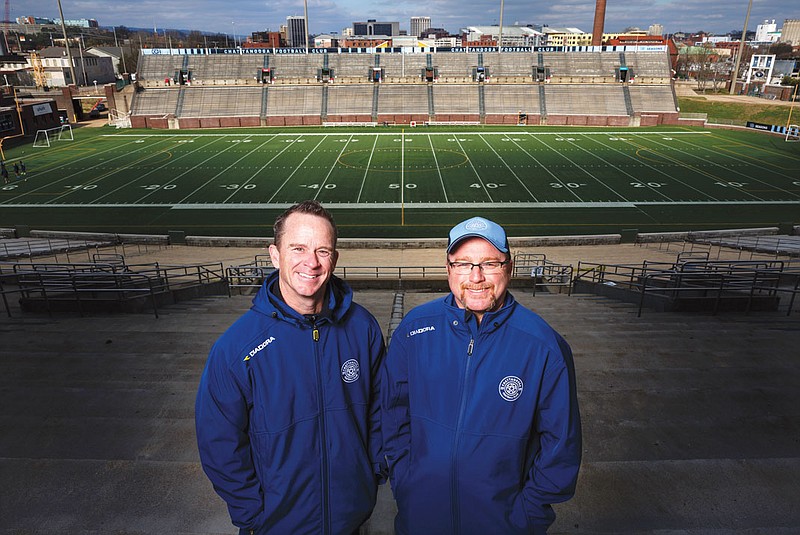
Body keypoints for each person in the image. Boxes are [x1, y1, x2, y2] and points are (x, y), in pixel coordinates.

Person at [381, 216, 582, 535]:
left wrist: (526, 515)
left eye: (489, 263)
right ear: (448, 269)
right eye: (463, 264)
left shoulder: (544, 346)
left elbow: (561, 446)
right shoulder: (414, 328)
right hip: (421, 518)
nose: (476, 277)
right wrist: (407, 485)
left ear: (509, 268)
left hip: (502, 524)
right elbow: (392, 414)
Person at [196, 200, 386, 534]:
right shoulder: (237, 346)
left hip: (351, 519)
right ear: (275, 255)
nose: (311, 263)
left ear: (335, 259)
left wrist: (369, 476)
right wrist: (255, 513)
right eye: (298, 248)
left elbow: (381, 411)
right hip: (277, 524)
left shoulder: (363, 327)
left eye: (322, 251)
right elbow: (218, 441)